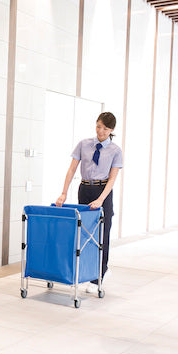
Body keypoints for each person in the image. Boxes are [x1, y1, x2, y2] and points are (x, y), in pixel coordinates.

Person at [56, 112, 123, 294]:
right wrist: (64, 193)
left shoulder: (115, 151)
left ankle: (100, 274)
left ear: (112, 130)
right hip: (85, 189)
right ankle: (86, 272)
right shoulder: (84, 144)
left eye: (105, 129)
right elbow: (71, 170)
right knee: (85, 233)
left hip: (103, 191)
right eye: (99, 126)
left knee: (102, 233)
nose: (101, 131)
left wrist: (101, 199)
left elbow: (112, 179)